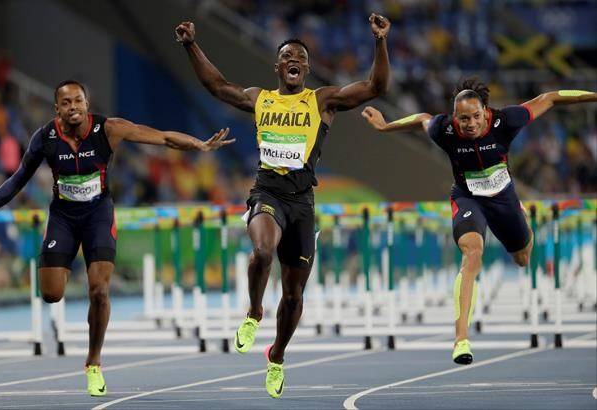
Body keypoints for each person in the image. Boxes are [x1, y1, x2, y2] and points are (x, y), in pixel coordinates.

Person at [0, 80, 234, 396]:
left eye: (78, 101)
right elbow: (19, 177)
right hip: (63, 216)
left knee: (99, 290)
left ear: (87, 104)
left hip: (98, 215)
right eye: (66, 102)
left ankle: (93, 362)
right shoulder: (44, 138)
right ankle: (55, 264)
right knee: (51, 294)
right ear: (56, 108)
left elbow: (161, 137)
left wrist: (198, 144)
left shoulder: (109, 129)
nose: (73, 106)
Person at [175, 14, 391, 398]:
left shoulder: (322, 100)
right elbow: (217, 86)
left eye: (301, 56)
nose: (294, 59)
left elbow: (376, 86)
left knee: (293, 296)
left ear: (306, 68)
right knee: (262, 250)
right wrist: (192, 44)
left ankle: (276, 356)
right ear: (278, 66)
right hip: (267, 194)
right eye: (287, 55)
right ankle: (255, 311)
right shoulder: (261, 98)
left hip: (303, 204)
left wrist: (379, 42)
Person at [361, 77, 597, 365]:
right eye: (463, 119)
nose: (470, 124)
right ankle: (461, 339)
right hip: (467, 197)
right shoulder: (443, 129)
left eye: (475, 116)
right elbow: (422, 119)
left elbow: (551, 97)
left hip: (504, 198)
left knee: (523, 258)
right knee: (472, 254)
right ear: (454, 118)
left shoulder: (506, 120)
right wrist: (386, 126)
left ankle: (519, 217)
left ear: (486, 111)